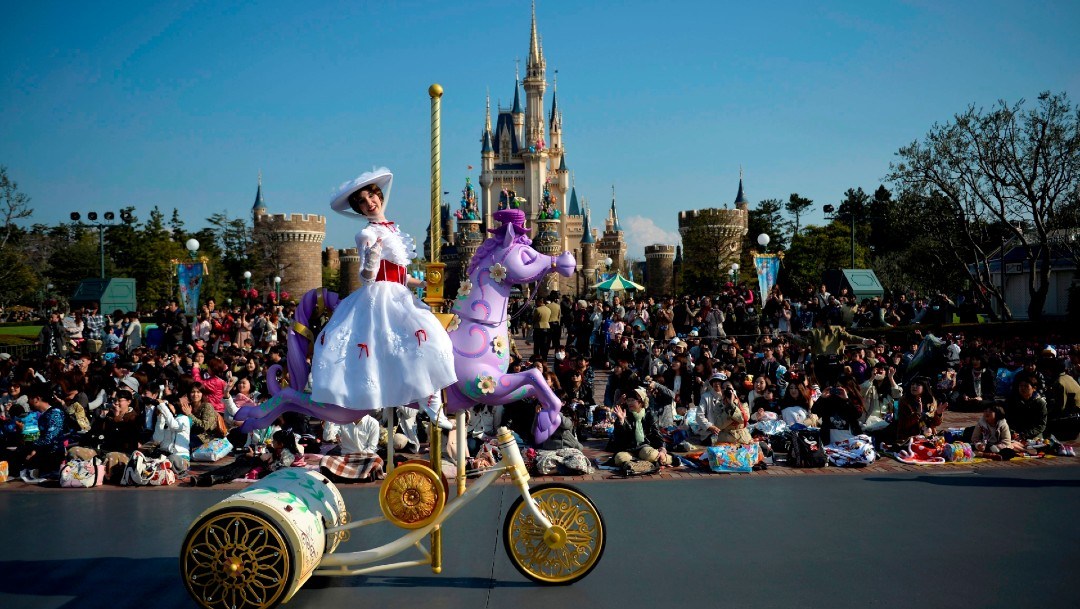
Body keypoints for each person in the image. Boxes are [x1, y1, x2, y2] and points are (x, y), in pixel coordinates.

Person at [310, 168, 455, 428]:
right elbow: (367, 277)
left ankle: (431, 397)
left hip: (399, 292)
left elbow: (400, 275)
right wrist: (372, 257)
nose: (369, 203)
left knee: (431, 339)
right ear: (358, 209)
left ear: (379, 195)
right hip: (381, 297)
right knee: (419, 340)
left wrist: (425, 283)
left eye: (371, 196)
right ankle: (429, 401)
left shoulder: (392, 229)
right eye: (362, 202)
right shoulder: (367, 234)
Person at [610, 386, 669, 467]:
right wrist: (621, 421)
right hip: (628, 449)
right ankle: (640, 463)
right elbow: (619, 438)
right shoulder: (624, 414)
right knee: (619, 458)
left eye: (632, 400)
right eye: (628, 400)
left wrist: (662, 448)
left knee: (653, 455)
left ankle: (668, 459)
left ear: (641, 402)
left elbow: (657, 434)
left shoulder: (650, 415)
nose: (630, 403)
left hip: (644, 446)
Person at [693, 373, 753, 445]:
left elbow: (744, 419)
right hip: (723, 438)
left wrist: (732, 404)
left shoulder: (742, 403)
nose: (717, 384)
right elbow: (718, 424)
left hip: (742, 438)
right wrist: (710, 426)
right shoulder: (716, 404)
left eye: (728, 387)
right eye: (714, 381)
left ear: (734, 389)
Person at [1006, 373, 1047, 441]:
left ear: (1034, 388)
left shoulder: (1040, 403)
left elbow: (1041, 425)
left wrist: (1025, 435)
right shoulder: (1012, 401)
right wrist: (1012, 432)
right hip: (1015, 434)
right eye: (1021, 386)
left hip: (1033, 434)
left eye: (1026, 386)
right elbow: (1006, 420)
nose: (1023, 388)